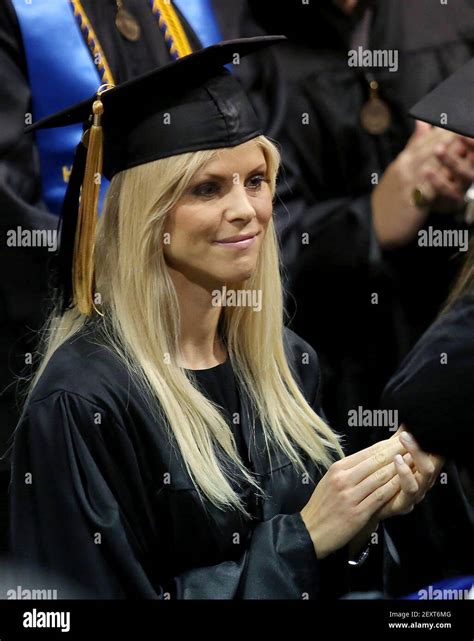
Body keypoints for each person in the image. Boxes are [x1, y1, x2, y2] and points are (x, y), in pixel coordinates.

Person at [7, 37, 441, 599]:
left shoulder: (288, 362)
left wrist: (364, 521)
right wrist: (304, 538)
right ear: (147, 216)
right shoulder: (82, 403)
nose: (246, 209)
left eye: (255, 181)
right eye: (208, 188)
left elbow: (338, 575)